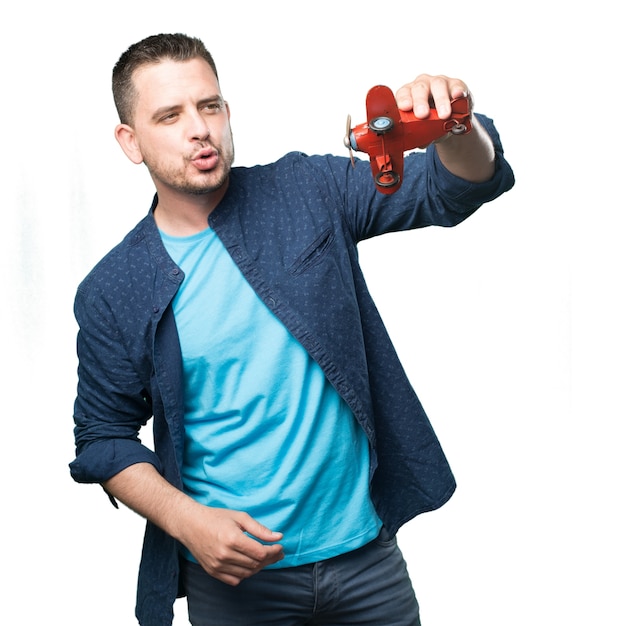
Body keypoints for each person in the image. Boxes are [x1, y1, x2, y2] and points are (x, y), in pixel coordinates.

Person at [70, 33, 514, 626]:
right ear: (131, 141)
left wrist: (457, 124)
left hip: (367, 561)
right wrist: (186, 521)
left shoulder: (306, 191)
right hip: (235, 582)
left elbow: (453, 187)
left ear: (226, 112)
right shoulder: (113, 288)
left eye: (209, 106)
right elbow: (102, 436)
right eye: (169, 115)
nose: (199, 128)